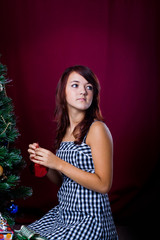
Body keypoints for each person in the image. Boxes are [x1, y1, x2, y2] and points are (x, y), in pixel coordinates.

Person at [27, 65, 118, 239]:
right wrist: (44, 163)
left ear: (94, 95)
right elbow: (65, 182)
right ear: (63, 92)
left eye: (89, 87)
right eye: (75, 85)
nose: (83, 91)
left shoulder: (97, 129)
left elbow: (103, 184)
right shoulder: (65, 131)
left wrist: (58, 162)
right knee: (25, 235)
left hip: (90, 218)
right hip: (65, 214)